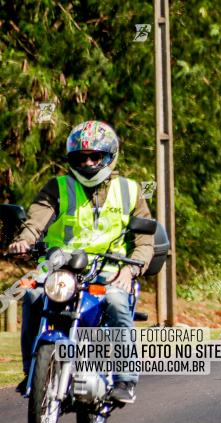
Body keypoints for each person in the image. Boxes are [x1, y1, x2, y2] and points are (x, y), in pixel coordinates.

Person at [7, 121, 154, 403]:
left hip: (108, 271)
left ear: (109, 157)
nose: (87, 163)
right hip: (60, 268)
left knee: (117, 303)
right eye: (80, 157)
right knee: (34, 296)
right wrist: (24, 239)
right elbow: (36, 219)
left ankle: (126, 379)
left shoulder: (130, 191)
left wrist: (131, 267)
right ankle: (32, 370)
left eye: (94, 156)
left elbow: (145, 240)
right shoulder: (58, 187)